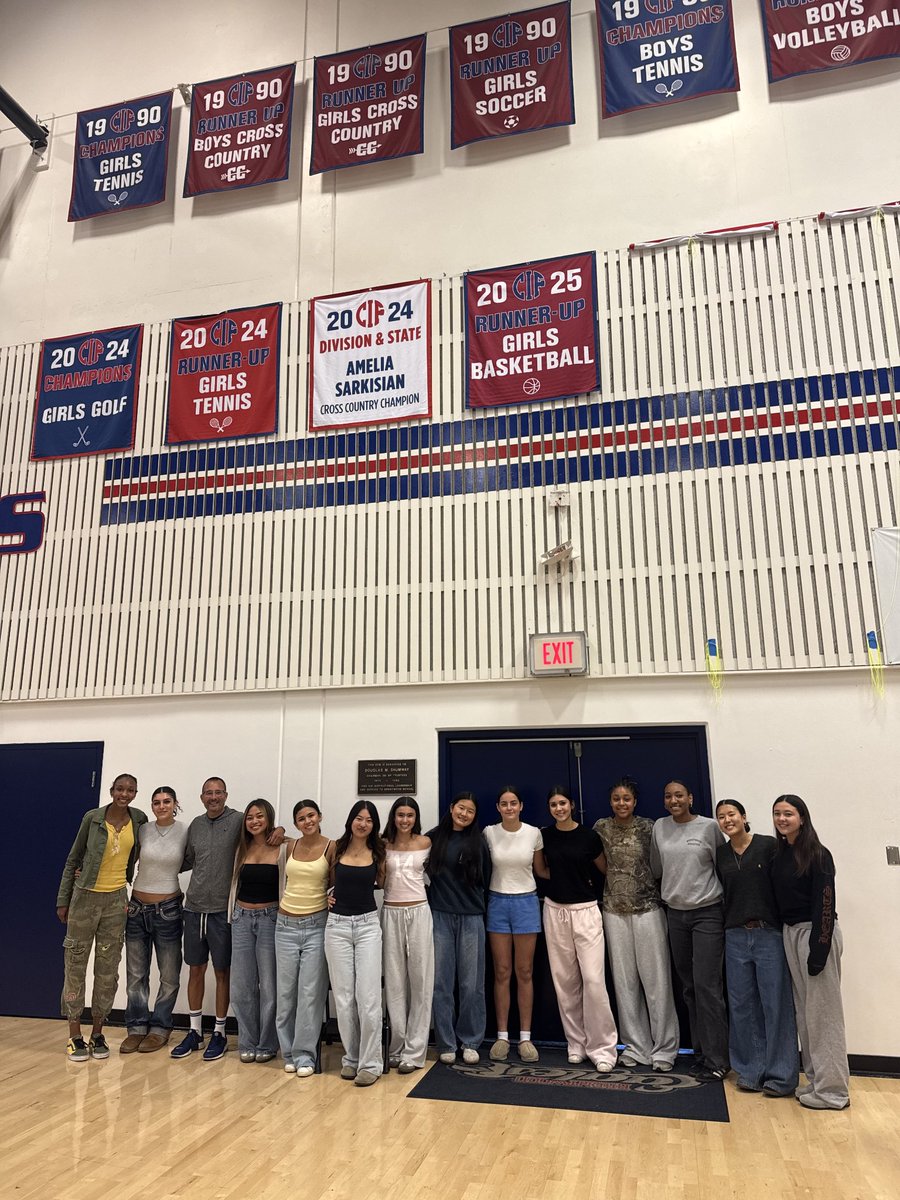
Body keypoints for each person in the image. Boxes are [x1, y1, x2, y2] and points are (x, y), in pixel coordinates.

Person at [171, 776, 283, 1061]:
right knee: (195, 970)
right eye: (208, 793)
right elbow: (186, 860)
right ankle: (195, 1031)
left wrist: (280, 829)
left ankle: (220, 1032)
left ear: (226, 795)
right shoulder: (195, 825)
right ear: (201, 797)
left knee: (224, 972)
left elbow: (264, 830)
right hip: (194, 908)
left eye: (218, 792)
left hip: (225, 911)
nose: (213, 797)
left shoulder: (238, 821)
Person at [56, 773, 147, 1061]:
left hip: (116, 901)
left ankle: (97, 1033)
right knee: (75, 965)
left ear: (135, 793)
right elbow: (73, 859)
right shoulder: (93, 818)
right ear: (111, 790)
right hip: (84, 898)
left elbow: (142, 852)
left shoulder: (139, 819)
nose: (124, 794)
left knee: (108, 968)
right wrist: (63, 900)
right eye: (120, 789)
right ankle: (74, 1035)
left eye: (130, 790)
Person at [593, 777, 678, 1072]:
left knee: (656, 982)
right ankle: (635, 1047)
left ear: (635, 801)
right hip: (614, 911)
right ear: (610, 801)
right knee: (624, 983)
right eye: (616, 798)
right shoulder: (601, 827)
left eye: (626, 798)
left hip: (648, 909)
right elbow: (602, 864)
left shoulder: (649, 827)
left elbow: (659, 865)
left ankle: (665, 1048)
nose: (621, 803)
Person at [715, 799, 799, 1096]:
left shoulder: (767, 846)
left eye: (732, 814)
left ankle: (781, 1076)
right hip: (735, 935)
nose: (727, 820)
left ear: (743, 816)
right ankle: (751, 1071)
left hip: (768, 934)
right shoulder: (721, 854)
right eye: (721, 817)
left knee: (775, 1004)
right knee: (742, 1006)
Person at [771, 794, 849, 1110]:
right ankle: (817, 1081)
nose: (782, 819)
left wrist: (819, 948)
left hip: (816, 933)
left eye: (788, 813)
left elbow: (825, 903)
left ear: (802, 818)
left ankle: (834, 1092)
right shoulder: (780, 855)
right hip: (790, 933)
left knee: (824, 1015)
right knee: (805, 1013)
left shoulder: (817, 854)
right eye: (777, 813)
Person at [650, 779, 729, 1082]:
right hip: (675, 915)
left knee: (708, 986)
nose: (674, 800)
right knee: (689, 987)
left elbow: (722, 867)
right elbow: (658, 869)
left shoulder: (709, 827)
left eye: (679, 795)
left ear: (690, 798)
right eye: (668, 796)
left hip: (707, 914)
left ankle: (718, 1059)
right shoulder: (659, 827)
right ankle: (701, 1054)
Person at [535, 785, 618, 1072]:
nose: (558, 808)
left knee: (594, 981)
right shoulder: (544, 836)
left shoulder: (589, 836)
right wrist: (562, 880)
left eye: (563, 803)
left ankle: (603, 1048)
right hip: (555, 911)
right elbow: (540, 870)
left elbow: (604, 869)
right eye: (553, 804)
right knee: (565, 983)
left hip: (586, 911)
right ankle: (576, 1044)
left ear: (571, 805)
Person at [121, 785, 188, 1054]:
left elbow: (197, 858)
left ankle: (160, 1026)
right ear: (152, 806)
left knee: (169, 975)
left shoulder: (185, 831)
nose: (162, 806)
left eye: (167, 801)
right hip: (136, 909)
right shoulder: (143, 830)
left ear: (175, 804)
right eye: (157, 802)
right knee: (136, 974)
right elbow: (123, 857)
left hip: (168, 910)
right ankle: (136, 1027)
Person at [324, 800, 386, 1087]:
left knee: (368, 997)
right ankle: (351, 1058)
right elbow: (326, 880)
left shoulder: (379, 851)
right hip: (336, 926)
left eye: (369, 820)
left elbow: (383, 882)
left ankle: (371, 1063)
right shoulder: (336, 848)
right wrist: (326, 895)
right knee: (344, 997)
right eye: (359, 818)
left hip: (367, 926)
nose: (363, 824)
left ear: (374, 825)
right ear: (351, 820)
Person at [427, 791, 491, 1065]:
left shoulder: (479, 842)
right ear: (452, 808)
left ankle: (471, 1040)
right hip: (440, 916)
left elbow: (487, 879)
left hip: (471, 917)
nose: (464, 814)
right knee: (441, 983)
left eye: (470, 811)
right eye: (461, 808)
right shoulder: (433, 838)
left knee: (471, 984)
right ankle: (446, 1042)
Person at [275, 799, 335, 1077]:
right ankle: (288, 1052)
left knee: (310, 994)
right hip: (285, 925)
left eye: (311, 815)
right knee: (286, 993)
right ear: (296, 824)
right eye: (301, 818)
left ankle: (305, 1055)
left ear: (319, 816)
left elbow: (335, 883)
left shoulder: (331, 846)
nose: (307, 821)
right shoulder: (290, 846)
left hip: (316, 925)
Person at [484, 785, 543, 1063]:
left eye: (514, 803)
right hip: (497, 902)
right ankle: (502, 1036)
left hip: (526, 903)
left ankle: (526, 1038)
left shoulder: (533, 833)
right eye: (504, 804)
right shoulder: (488, 833)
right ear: (498, 807)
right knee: (502, 971)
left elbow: (541, 870)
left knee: (525, 971)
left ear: (521, 806)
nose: (509, 808)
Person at [229, 799, 286, 1064]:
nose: (254, 821)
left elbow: (303, 844)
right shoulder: (241, 848)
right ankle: (248, 1041)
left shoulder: (282, 846)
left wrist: (282, 830)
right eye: (250, 817)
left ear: (269, 818)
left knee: (269, 986)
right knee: (242, 986)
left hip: (270, 919)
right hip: (241, 918)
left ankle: (267, 1043)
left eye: (260, 816)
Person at [382, 796, 434, 1074]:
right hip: (391, 912)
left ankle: (414, 1051)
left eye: (409, 815)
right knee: (394, 981)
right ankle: (396, 1046)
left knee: (420, 980)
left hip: (419, 912)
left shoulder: (426, 842)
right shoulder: (382, 844)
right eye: (400, 815)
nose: (405, 820)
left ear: (416, 818)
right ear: (394, 817)